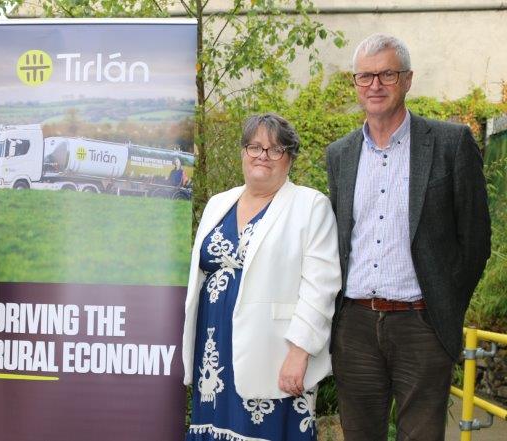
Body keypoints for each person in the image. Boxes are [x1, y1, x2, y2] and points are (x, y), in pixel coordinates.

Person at [326, 34, 491, 440]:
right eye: (365, 76)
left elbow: (475, 242)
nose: (375, 85)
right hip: (355, 327)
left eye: (387, 74)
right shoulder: (340, 154)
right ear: (355, 83)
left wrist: (442, 306)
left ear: (408, 79)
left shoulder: (451, 144)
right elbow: (340, 240)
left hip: (422, 324)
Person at [183, 113, 341, 441]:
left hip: (274, 353)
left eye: (275, 149)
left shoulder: (311, 205)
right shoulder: (218, 203)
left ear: (290, 157)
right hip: (214, 350)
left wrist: (300, 352)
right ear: (243, 152)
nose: (262, 156)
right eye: (254, 147)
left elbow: (321, 286)